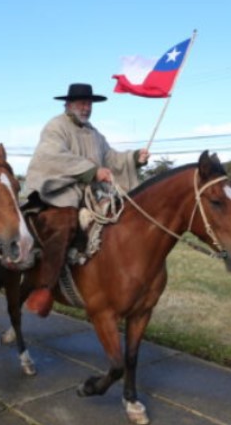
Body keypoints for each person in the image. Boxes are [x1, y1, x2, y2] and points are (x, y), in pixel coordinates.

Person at [22, 83, 150, 317]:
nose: (86, 107)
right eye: (81, 102)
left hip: (93, 194)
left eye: (89, 103)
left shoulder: (95, 134)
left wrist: (134, 158)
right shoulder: (55, 127)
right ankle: (45, 289)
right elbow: (52, 156)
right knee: (65, 223)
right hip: (61, 191)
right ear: (69, 104)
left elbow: (111, 158)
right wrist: (91, 171)